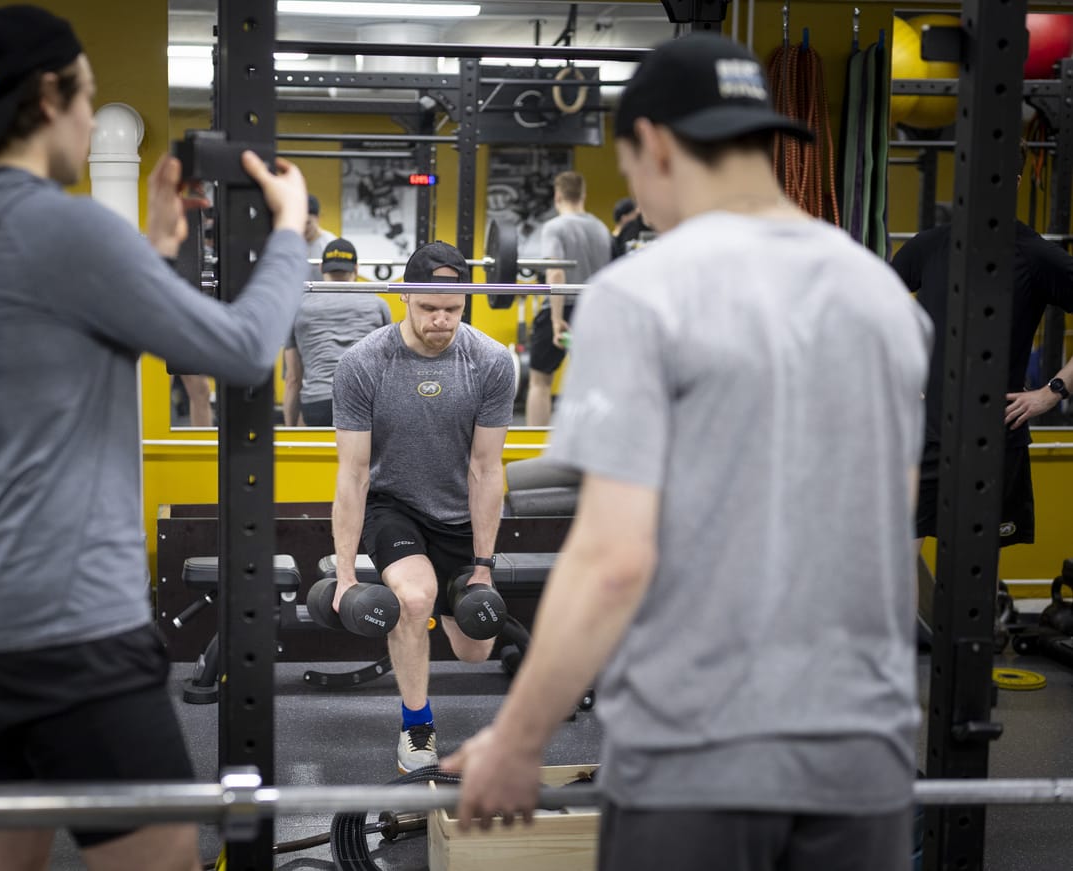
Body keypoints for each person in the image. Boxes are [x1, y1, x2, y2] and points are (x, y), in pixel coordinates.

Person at [445, 33, 931, 871]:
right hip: (867, 750)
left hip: (701, 751)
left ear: (656, 146)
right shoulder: (883, 296)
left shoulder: (644, 295)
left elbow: (612, 559)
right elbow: (888, 519)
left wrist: (517, 741)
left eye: (630, 170)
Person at [0, 7, 309, 871]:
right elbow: (240, 349)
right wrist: (294, 234)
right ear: (49, 95)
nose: (92, 116)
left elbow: (59, 341)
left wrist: (153, 245)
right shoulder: (62, 228)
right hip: (67, 625)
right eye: (87, 94)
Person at [331, 241, 516, 774]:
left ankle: (448, 599)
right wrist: (345, 575)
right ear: (405, 297)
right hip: (397, 505)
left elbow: (486, 468)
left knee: (475, 648)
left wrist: (483, 567)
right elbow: (354, 474)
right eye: (429, 307)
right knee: (414, 599)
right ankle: (417, 727)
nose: (441, 320)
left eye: (453, 309)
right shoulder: (364, 363)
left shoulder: (489, 362)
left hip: (459, 512)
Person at [892, 206, 1073, 553]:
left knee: (976, 565)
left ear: (1015, 179)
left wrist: (1053, 392)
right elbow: (874, 306)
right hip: (927, 433)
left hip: (998, 435)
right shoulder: (929, 246)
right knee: (898, 559)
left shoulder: (1034, 254)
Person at [525, 171, 612, 427]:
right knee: (592, 384)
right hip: (595, 308)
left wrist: (555, 319)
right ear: (583, 195)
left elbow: (556, 270)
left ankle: (534, 451)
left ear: (557, 195)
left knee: (540, 382)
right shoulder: (601, 228)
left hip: (561, 306)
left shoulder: (555, 227)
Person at [284, 237, 391, 427]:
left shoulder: (298, 307)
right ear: (356, 269)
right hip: (364, 401)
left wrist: (290, 431)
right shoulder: (378, 305)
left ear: (321, 268)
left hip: (316, 403)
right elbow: (387, 369)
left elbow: (293, 378)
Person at [304, 193, 338, 281]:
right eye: (300, 222)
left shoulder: (331, 244)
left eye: (308, 223)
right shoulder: (293, 243)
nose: (304, 228)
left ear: (318, 218)